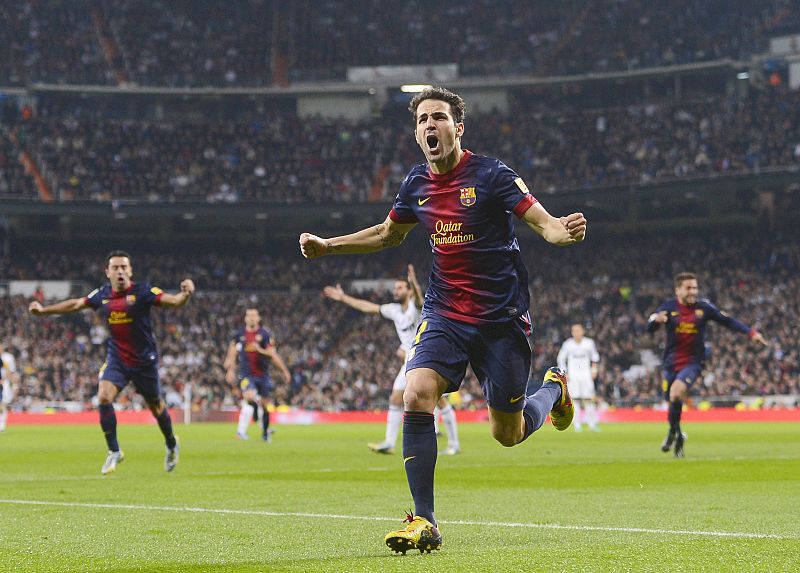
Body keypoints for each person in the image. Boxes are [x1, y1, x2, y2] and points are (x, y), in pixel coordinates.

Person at [299, 86, 587, 554]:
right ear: (416, 134)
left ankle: (553, 389)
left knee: (508, 434)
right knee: (415, 392)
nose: (429, 125)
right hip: (444, 313)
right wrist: (328, 245)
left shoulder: (492, 175)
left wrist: (563, 232)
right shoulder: (416, 184)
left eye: (438, 117)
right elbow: (387, 234)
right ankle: (424, 520)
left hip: (500, 319)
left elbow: (544, 223)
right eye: (422, 120)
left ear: (459, 127)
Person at [28, 250, 194, 474]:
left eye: (124, 267)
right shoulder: (102, 294)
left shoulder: (143, 291)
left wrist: (185, 294)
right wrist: (44, 311)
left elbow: (173, 301)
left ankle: (172, 443)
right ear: (107, 272)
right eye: (115, 268)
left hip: (144, 361)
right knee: (104, 397)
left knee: (156, 406)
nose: (120, 271)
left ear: (130, 271)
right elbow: (76, 304)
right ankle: (114, 451)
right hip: (117, 358)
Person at [323, 264, 460, 456]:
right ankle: (389, 442)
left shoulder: (417, 308)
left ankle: (454, 444)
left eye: (400, 287)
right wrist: (343, 297)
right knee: (395, 398)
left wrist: (415, 284)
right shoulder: (394, 310)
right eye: (395, 288)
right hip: (410, 361)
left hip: (428, 358)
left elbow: (419, 300)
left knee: (440, 402)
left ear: (409, 291)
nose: (395, 291)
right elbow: (368, 307)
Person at [647, 272, 766, 458]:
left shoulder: (703, 308)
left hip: (693, 362)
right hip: (671, 363)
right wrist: (655, 321)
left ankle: (673, 433)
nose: (693, 291)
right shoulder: (668, 307)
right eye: (688, 288)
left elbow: (728, 321)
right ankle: (676, 433)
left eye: (695, 288)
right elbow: (650, 327)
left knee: (676, 393)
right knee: (672, 401)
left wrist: (751, 333)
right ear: (678, 290)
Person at [223, 308, 291, 442]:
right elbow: (233, 350)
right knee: (249, 396)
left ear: (258, 318)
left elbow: (272, 354)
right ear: (245, 318)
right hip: (246, 374)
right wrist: (230, 369)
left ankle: (265, 433)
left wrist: (284, 370)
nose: (251, 318)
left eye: (254, 315)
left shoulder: (265, 334)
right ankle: (254, 413)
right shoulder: (239, 334)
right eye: (249, 315)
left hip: (263, 375)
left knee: (265, 405)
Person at [557, 324, 601, 432]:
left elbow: (595, 358)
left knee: (589, 399)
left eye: (579, 330)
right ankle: (577, 425)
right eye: (575, 331)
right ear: (572, 332)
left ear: (583, 331)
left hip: (586, 375)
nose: (577, 333)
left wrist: (594, 370)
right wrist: (565, 373)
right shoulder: (567, 344)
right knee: (575, 400)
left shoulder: (589, 343)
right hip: (573, 376)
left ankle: (592, 424)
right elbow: (561, 359)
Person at [0, 342, 17, 432]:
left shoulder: (8, 357)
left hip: (4, 383)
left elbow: (11, 371)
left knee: (3, 403)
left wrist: (14, 384)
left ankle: (2, 424)